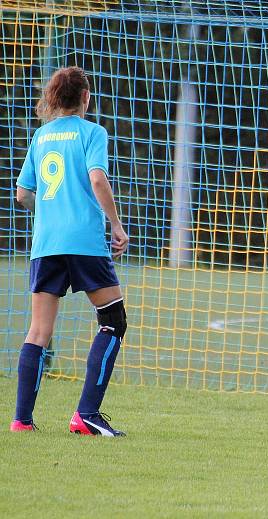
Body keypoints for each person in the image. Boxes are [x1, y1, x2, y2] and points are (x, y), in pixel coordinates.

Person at [11, 66, 129, 437]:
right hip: (83, 241)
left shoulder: (41, 136)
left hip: (46, 243)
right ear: (84, 98)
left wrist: (50, 208)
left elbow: (22, 194)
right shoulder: (93, 132)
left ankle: (21, 421)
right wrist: (116, 223)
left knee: (38, 332)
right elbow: (97, 178)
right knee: (113, 320)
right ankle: (87, 414)